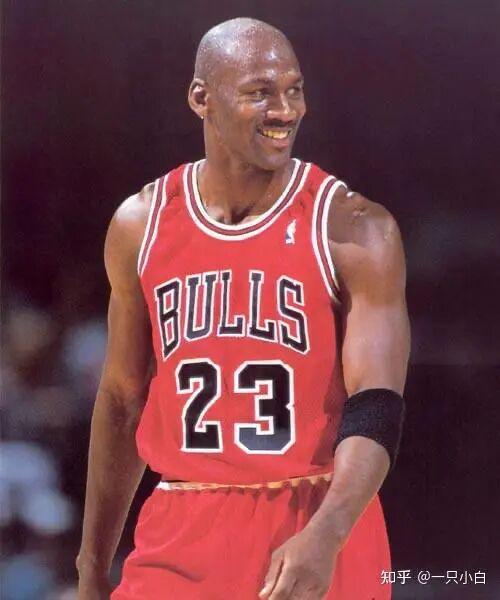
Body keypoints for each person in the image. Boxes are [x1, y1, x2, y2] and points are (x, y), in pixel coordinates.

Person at [77, 17, 410, 600]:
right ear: (200, 99)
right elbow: (124, 399)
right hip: (181, 520)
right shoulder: (141, 225)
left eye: (294, 89)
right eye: (260, 92)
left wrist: (327, 534)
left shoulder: (354, 228)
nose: (286, 110)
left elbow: (376, 407)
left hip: (316, 514)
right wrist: (91, 566)